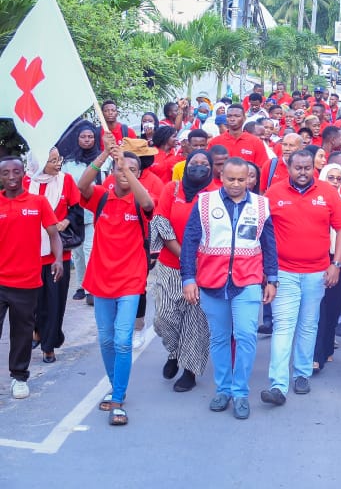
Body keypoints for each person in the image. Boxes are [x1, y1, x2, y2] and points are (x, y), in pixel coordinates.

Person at [180, 157, 278, 420]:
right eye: (230, 179)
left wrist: (272, 278)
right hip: (212, 280)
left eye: (241, 179)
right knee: (220, 338)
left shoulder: (261, 204)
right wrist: (188, 278)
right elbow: (190, 240)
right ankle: (223, 389)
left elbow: (269, 243)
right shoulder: (204, 202)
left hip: (247, 280)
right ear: (221, 177)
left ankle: (240, 392)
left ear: (249, 179)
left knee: (246, 335)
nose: (235, 184)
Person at [77, 134, 155, 426]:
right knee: (107, 339)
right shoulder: (101, 197)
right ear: (111, 173)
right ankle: (115, 387)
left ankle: (118, 399)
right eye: (120, 170)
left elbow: (146, 200)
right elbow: (81, 187)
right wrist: (104, 157)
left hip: (130, 281)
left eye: (133, 171)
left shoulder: (141, 203)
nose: (125, 175)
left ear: (139, 175)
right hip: (101, 280)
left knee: (123, 341)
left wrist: (126, 169)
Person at [262, 150, 341, 405]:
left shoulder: (328, 193)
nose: (302, 172)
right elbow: (263, 233)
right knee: (283, 326)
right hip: (284, 273)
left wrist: (337, 264)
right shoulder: (273, 194)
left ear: (313, 168)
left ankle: (302, 373)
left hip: (317, 272)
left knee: (308, 324)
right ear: (288, 167)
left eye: (307, 168)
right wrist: (268, 272)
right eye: (297, 168)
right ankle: (278, 384)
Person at [149, 150, 213, 393]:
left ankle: (189, 371)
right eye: (194, 163)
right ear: (186, 166)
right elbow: (161, 223)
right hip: (171, 264)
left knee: (196, 322)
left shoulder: (215, 193)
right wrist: (185, 257)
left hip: (203, 268)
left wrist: (197, 263)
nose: (198, 167)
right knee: (164, 316)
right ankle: (174, 352)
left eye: (204, 164)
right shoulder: (171, 189)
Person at [0, 157, 62, 400]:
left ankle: (19, 377)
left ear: (23, 173)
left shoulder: (38, 202)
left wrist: (57, 259)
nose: (12, 176)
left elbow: (54, 234)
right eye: (6, 173)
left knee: (21, 333)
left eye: (16, 171)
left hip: (26, 282)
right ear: (1, 177)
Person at [26, 148, 80, 363]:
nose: (58, 164)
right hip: (30, 253)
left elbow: (76, 210)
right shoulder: (25, 182)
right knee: (35, 303)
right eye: (53, 160)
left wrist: (67, 220)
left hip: (59, 254)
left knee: (55, 301)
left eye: (60, 159)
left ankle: (49, 346)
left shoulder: (66, 180)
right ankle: (38, 330)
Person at [312, 164, 341, 373]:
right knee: (318, 308)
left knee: (333, 307)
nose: (335, 182)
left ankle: (327, 348)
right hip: (318, 258)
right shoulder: (314, 202)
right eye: (331, 177)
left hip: (340, 260)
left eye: (339, 178)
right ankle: (316, 355)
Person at [58, 121, 101, 302]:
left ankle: (92, 288)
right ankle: (80, 286)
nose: (87, 140)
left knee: (90, 248)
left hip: (94, 210)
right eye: (83, 137)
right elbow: (65, 185)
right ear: (77, 139)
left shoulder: (101, 160)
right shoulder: (68, 162)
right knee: (77, 251)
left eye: (90, 137)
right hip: (75, 211)